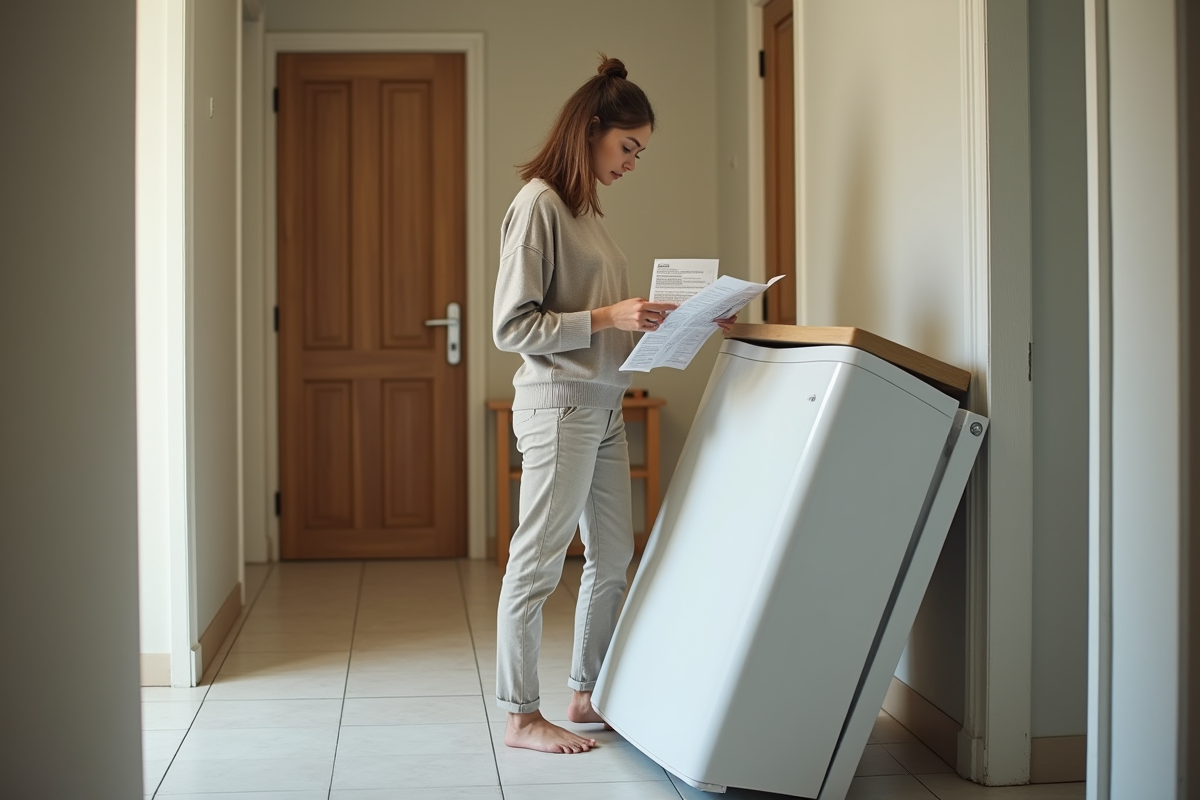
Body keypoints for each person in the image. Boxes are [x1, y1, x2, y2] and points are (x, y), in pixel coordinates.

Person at [491, 55, 677, 755]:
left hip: (601, 405)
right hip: (559, 407)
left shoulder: (585, 212)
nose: (633, 162)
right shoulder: (538, 203)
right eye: (628, 147)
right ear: (593, 128)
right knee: (537, 562)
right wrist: (608, 318)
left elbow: (608, 320)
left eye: (641, 153)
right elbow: (512, 327)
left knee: (612, 556)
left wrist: (673, 323)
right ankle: (519, 715)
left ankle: (587, 690)